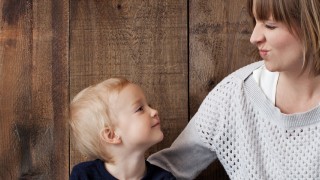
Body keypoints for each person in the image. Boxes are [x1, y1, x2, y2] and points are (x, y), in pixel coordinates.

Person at [148, 0, 320, 179]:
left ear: (312, 25)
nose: (254, 37)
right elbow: (165, 168)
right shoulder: (234, 94)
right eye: (255, 22)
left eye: (270, 25)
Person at [69, 78, 176, 180]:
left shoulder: (165, 178)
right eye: (140, 109)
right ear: (111, 135)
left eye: (148, 105)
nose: (154, 111)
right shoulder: (84, 175)